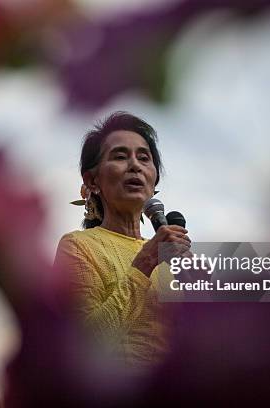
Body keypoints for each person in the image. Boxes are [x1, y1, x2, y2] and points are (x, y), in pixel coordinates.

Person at [54, 111, 191, 368]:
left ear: (154, 181)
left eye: (144, 158)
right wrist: (145, 262)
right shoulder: (78, 247)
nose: (135, 166)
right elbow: (84, 347)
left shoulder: (173, 260)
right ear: (92, 181)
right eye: (120, 156)